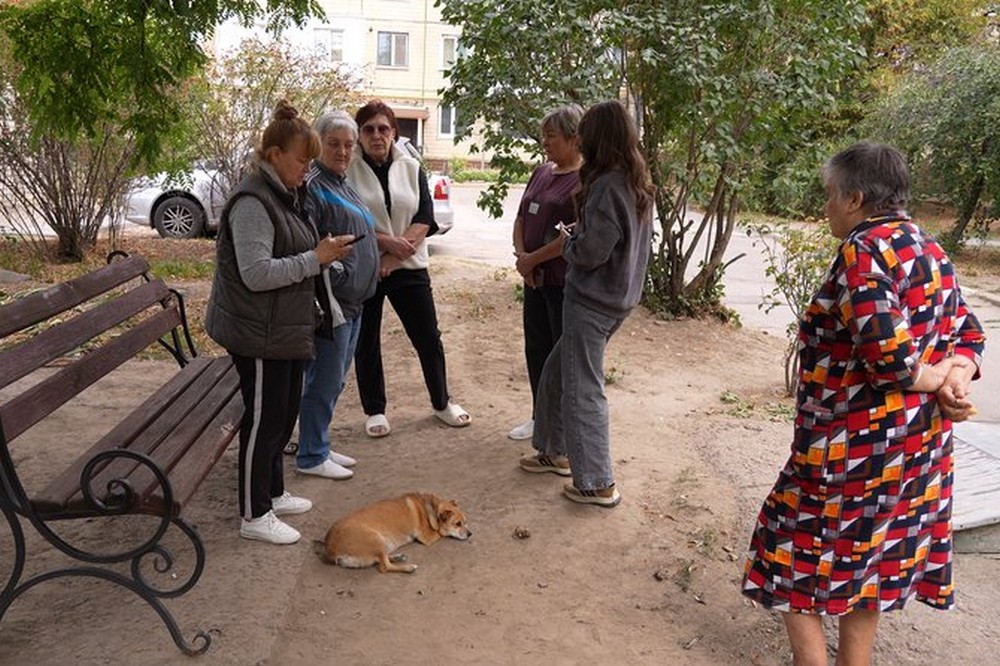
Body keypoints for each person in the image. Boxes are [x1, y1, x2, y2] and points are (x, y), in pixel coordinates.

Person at [741, 142, 986, 665]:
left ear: (855, 199)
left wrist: (938, 373)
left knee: (786, 545)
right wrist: (955, 377)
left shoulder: (865, 249)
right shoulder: (930, 248)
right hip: (916, 450)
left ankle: (811, 662)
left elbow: (888, 358)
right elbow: (969, 335)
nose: (825, 207)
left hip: (851, 448)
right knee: (869, 556)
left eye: (829, 196)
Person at [205, 100, 355, 545]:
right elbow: (257, 273)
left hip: (282, 327)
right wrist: (315, 258)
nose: (307, 169)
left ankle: (272, 491)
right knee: (264, 418)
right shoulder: (253, 200)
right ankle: (254, 514)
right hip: (257, 332)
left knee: (284, 412)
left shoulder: (287, 194)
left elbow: (296, 252)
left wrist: (324, 255)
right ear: (274, 156)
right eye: (302, 160)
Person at [519, 100, 653, 507]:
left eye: (583, 135)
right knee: (557, 374)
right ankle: (554, 451)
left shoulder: (610, 183)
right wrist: (583, 232)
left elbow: (593, 252)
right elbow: (611, 236)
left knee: (582, 391)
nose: (579, 141)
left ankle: (596, 483)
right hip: (614, 299)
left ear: (597, 138)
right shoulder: (631, 178)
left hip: (593, 303)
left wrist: (569, 242)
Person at [346, 99, 470, 438]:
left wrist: (394, 256)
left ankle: (442, 402)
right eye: (368, 129)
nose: (376, 135)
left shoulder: (411, 167)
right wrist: (384, 247)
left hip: (409, 266)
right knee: (366, 342)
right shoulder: (348, 170)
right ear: (359, 135)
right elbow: (346, 220)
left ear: (394, 133)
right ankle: (374, 410)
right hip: (367, 269)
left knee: (428, 338)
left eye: (383, 128)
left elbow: (425, 218)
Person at [293, 110, 380, 479]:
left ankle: (320, 442)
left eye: (348, 145)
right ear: (319, 144)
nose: (343, 151)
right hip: (334, 303)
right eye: (334, 144)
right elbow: (311, 240)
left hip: (355, 301)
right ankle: (311, 455)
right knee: (325, 379)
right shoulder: (314, 185)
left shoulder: (342, 181)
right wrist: (342, 275)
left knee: (336, 377)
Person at [508, 105, 583, 442]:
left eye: (551, 136)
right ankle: (539, 417)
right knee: (535, 350)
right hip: (533, 279)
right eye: (544, 136)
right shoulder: (541, 172)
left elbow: (573, 234)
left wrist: (532, 260)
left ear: (574, 137)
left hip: (560, 283)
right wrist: (523, 258)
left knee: (559, 358)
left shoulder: (584, 179)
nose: (545, 142)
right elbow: (521, 217)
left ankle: (558, 427)